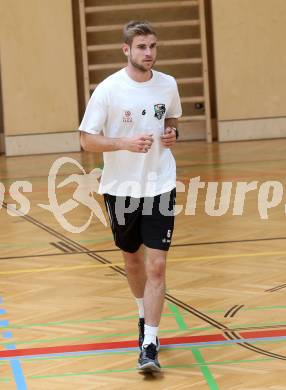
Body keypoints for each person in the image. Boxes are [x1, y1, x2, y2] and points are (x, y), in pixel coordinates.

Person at [79, 20, 182, 372]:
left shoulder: (168, 84)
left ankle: (150, 343)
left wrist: (172, 135)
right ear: (126, 49)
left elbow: (171, 121)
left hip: (160, 185)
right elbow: (86, 140)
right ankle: (143, 317)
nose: (149, 53)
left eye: (153, 46)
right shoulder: (108, 90)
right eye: (141, 47)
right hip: (120, 190)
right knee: (133, 261)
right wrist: (123, 142)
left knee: (157, 265)